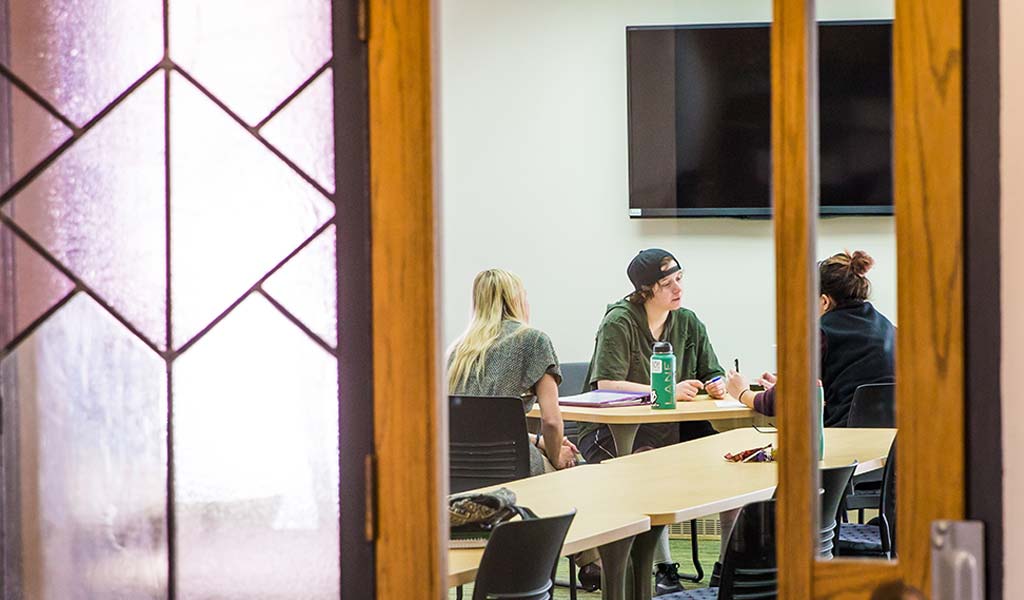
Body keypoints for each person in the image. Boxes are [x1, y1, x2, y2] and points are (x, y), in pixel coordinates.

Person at [578, 248, 726, 595]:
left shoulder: (688, 321)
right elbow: (607, 384)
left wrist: (716, 383)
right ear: (646, 290)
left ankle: (725, 566)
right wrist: (664, 391)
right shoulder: (619, 321)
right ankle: (663, 569)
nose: (678, 288)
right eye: (667, 283)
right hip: (611, 432)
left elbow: (712, 371)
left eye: (679, 279)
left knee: (727, 462)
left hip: (671, 428)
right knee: (648, 467)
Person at [726, 250, 896, 426]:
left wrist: (742, 392)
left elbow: (777, 403)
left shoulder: (820, 333)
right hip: (896, 441)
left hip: (846, 439)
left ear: (824, 301)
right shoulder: (889, 328)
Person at [447, 268, 578, 472]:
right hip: (510, 465)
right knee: (575, 471)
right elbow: (551, 421)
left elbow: (482, 427)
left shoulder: (457, 352)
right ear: (517, 300)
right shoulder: (533, 341)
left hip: (458, 469)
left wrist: (539, 442)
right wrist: (556, 456)